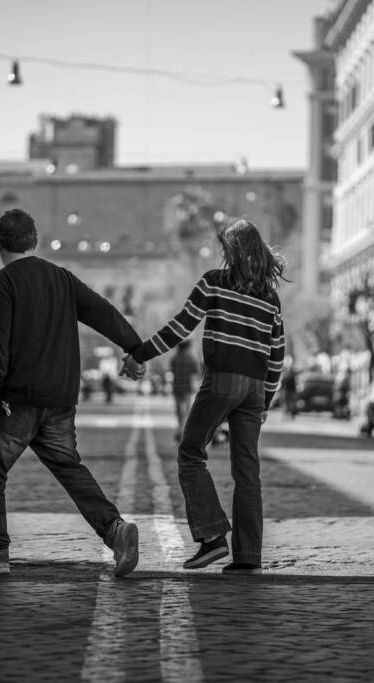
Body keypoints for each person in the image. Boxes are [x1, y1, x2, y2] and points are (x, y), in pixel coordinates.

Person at [0, 208, 144, 577]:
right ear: (35, 241)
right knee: (69, 468)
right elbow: (103, 312)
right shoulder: (62, 278)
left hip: (15, 401)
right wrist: (135, 349)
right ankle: (115, 530)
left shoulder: (2, 283)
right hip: (60, 399)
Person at [123, 218, 285, 576]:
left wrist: (139, 354)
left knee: (190, 452)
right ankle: (248, 556)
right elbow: (277, 355)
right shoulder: (270, 298)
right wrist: (265, 401)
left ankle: (212, 537)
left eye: (224, 248)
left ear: (233, 251)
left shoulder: (214, 282)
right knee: (248, 473)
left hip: (223, 380)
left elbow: (180, 326)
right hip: (255, 390)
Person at [170, 338, 200, 440]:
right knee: (187, 411)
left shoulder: (174, 359)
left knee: (179, 410)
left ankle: (180, 428)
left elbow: (172, 370)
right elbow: (197, 372)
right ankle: (183, 431)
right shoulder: (191, 359)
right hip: (187, 388)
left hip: (177, 387)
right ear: (187, 348)